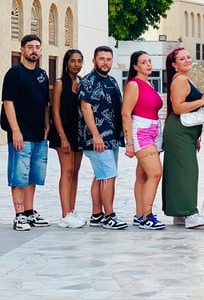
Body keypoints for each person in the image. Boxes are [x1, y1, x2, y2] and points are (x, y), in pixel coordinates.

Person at [1, 34, 50, 231]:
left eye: (37, 47)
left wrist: (47, 124)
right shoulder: (14, 73)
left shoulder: (42, 74)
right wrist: (15, 131)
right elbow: (8, 102)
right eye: (30, 47)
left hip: (39, 133)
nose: (34, 50)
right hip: (21, 133)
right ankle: (19, 214)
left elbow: (45, 102)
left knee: (33, 175)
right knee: (19, 175)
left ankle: (29, 212)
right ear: (22, 49)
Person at [162, 47, 204, 228]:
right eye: (182, 59)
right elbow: (177, 107)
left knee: (180, 172)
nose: (187, 60)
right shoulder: (180, 80)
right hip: (179, 132)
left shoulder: (184, 79)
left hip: (185, 131)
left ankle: (179, 213)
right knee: (187, 171)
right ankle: (190, 213)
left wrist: (196, 135)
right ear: (175, 64)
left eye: (188, 57)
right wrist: (203, 100)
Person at [78, 45, 127, 230]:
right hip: (96, 138)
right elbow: (85, 108)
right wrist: (96, 135)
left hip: (112, 137)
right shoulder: (88, 81)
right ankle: (109, 215)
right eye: (102, 59)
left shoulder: (113, 81)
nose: (105, 62)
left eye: (108, 59)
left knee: (101, 176)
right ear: (94, 60)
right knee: (109, 175)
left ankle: (97, 214)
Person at [122, 51, 165, 230]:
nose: (148, 64)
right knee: (155, 173)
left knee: (143, 175)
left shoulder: (149, 83)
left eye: (149, 61)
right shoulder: (134, 84)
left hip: (154, 131)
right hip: (141, 132)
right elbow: (125, 112)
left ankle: (140, 214)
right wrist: (129, 142)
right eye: (143, 62)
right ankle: (148, 216)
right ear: (135, 66)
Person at [49, 49, 86, 228]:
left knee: (76, 172)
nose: (76, 64)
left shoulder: (81, 82)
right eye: (73, 61)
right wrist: (63, 137)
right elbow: (55, 112)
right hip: (62, 132)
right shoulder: (59, 83)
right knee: (68, 170)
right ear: (66, 63)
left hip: (78, 132)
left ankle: (71, 210)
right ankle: (64, 214)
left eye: (79, 61)